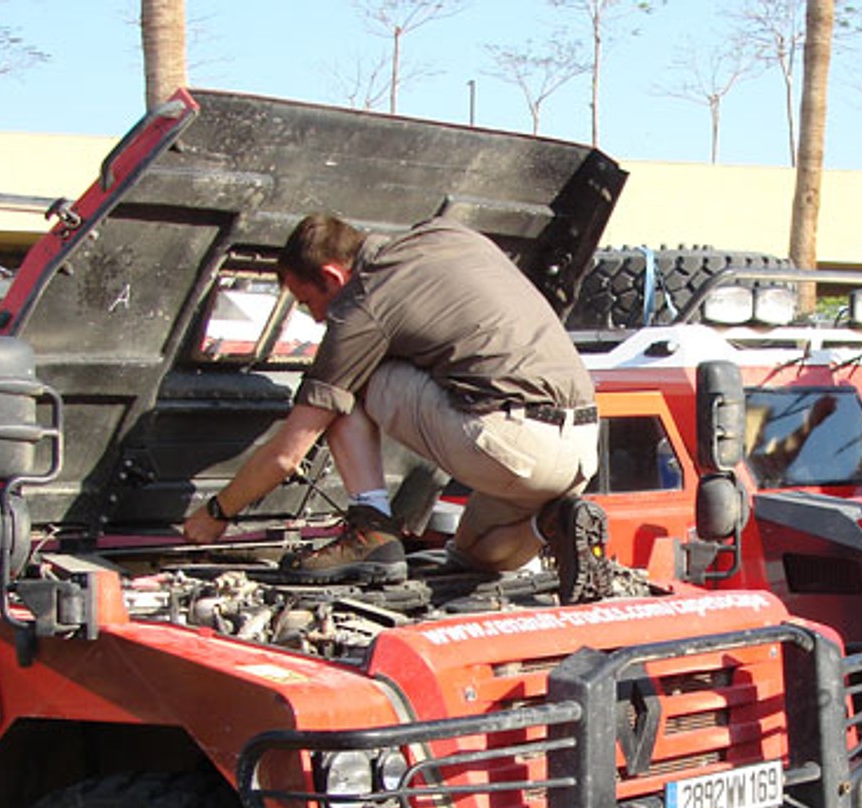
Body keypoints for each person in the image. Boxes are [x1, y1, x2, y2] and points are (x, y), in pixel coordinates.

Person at [184, 212, 611, 604]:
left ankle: (371, 528)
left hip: (507, 441)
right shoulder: (447, 233)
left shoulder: (363, 304)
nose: (315, 318)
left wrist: (216, 513)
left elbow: (287, 454)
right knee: (475, 555)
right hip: (579, 448)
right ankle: (555, 522)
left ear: (333, 276)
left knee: (345, 381)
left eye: (306, 301)